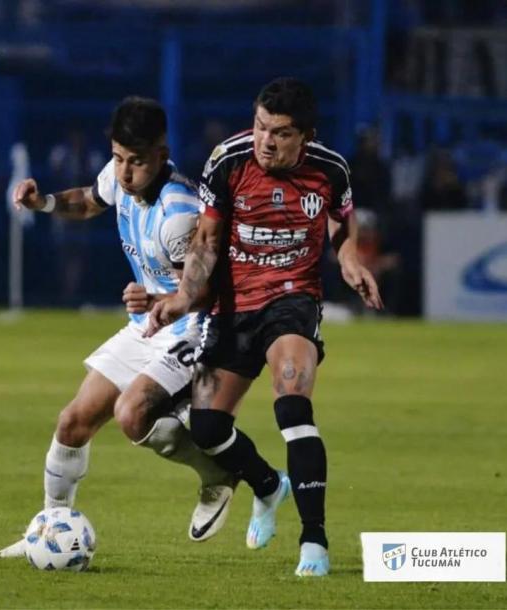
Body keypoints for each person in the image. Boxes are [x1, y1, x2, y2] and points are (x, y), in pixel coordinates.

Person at [147, 78, 383, 577]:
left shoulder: (330, 168)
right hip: (233, 306)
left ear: (306, 137)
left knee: (292, 399)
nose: (265, 141)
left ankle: (314, 539)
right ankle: (268, 486)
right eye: (260, 127)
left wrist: (348, 259)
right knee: (207, 428)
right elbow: (207, 241)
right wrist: (184, 297)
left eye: (280, 133)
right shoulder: (228, 160)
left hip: (293, 300)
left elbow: (341, 221)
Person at [0, 97, 235, 558]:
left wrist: (157, 301)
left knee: (132, 415)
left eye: (136, 161)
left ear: (162, 155)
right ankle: (47, 530)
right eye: (118, 158)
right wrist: (43, 202)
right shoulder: (119, 175)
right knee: (72, 423)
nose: (124, 172)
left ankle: (216, 474)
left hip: (191, 330)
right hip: (147, 325)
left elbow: (208, 293)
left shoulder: (179, 214)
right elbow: (89, 201)